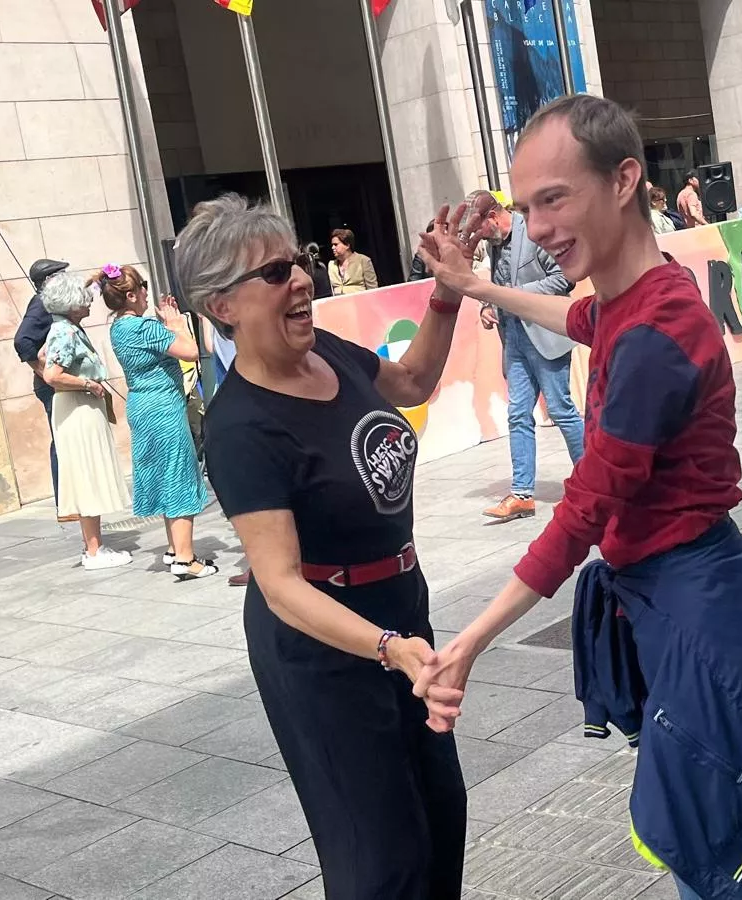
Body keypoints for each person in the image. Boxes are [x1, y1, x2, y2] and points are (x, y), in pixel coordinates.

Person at [415, 94, 742, 900]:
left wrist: (470, 641)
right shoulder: (637, 300)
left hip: (705, 616)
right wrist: (471, 286)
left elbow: (582, 513)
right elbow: (579, 317)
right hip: (683, 608)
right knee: (725, 855)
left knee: (730, 865)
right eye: (526, 207)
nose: (536, 227)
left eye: (554, 199)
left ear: (626, 178)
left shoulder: (656, 336)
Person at [175, 192, 467, 899]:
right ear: (223, 307)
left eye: (298, 260)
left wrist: (447, 297)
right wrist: (386, 647)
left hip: (401, 608)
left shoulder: (330, 351)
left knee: (441, 820)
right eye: (274, 274)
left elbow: (415, 381)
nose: (302, 279)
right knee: (380, 859)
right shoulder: (242, 428)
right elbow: (280, 585)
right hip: (324, 651)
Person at [467, 190, 585, 523]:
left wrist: (516, 298)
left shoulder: (533, 232)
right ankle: (522, 495)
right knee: (518, 414)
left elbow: (566, 278)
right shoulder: (495, 243)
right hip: (514, 337)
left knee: (562, 409)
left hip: (545, 333)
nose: (481, 239)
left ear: (493, 217)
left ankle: (593, 483)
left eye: (482, 231)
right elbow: (499, 287)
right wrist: (489, 307)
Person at [99, 264, 216, 580]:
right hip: (163, 407)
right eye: (143, 287)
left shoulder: (118, 328)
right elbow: (191, 352)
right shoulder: (143, 328)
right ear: (131, 294)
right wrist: (177, 323)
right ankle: (185, 558)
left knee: (164, 475)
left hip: (141, 405)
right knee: (178, 474)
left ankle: (174, 549)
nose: (147, 294)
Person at [39, 271, 133, 570]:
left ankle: (93, 545)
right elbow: (53, 375)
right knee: (87, 473)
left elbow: (44, 357)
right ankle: (94, 550)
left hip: (75, 407)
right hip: (78, 406)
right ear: (71, 304)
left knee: (85, 473)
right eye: (84, 300)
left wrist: (97, 276)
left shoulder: (63, 328)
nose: (90, 303)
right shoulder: (65, 332)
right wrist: (89, 384)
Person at [14, 258, 71, 512]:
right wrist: (43, 370)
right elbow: (22, 341)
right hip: (51, 386)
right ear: (49, 281)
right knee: (61, 439)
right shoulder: (41, 304)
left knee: (66, 437)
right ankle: (66, 502)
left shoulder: (53, 302)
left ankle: (70, 500)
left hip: (56, 383)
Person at [328, 228, 379, 294]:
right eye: (332, 245)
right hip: (339, 302)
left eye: (336, 244)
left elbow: (373, 289)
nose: (333, 248)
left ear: (347, 245)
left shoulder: (363, 261)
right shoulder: (331, 265)